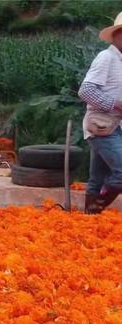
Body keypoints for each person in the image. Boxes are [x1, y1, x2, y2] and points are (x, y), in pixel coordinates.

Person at [78, 12, 122, 214]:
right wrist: (115, 104)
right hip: (102, 124)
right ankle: (96, 209)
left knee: (96, 178)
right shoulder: (107, 57)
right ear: (118, 34)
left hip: (113, 126)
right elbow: (85, 91)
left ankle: (88, 220)